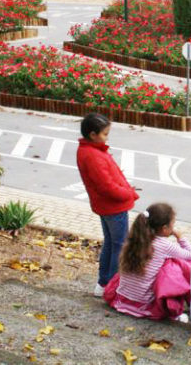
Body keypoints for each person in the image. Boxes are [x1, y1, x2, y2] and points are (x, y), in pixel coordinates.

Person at [76, 113, 139, 298]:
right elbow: (107, 187)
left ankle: (103, 283)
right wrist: (129, 193)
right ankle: (111, 285)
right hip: (113, 206)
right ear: (93, 134)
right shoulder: (93, 155)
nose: (107, 137)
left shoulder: (90, 150)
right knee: (119, 246)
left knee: (111, 243)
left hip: (106, 206)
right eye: (105, 134)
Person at [104, 203, 191, 321]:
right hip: (143, 305)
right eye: (172, 225)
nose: (173, 228)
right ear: (165, 228)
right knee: (173, 264)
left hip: (121, 299)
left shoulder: (135, 238)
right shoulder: (165, 245)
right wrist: (180, 237)